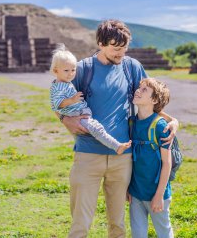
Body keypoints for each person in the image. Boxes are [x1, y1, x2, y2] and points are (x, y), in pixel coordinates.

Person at [60, 19, 179, 238]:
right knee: (81, 223)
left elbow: (151, 97)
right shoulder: (84, 69)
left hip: (122, 158)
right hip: (88, 155)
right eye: (115, 49)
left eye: (124, 48)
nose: (120, 53)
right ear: (100, 43)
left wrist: (173, 120)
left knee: (117, 224)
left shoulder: (130, 66)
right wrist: (64, 119)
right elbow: (59, 100)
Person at [49, 44, 132, 154]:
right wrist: (72, 100)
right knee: (97, 130)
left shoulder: (64, 83)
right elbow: (57, 104)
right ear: (55, 71)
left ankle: (116, 145)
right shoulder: (59, 86)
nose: (70, 74)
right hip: (77, 115)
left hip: (80, 112)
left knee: (97, 129)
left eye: (73, 70)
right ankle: (117, 146)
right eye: (66, 70)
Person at [127, 78, 174, 238]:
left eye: (144, 90)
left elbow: (167, 164)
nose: (138, 90)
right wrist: (129, 188)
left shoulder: (160, 126)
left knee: (164, 233)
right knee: (138, 234)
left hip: (157, 194)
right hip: (136, 193)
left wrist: (159, 196)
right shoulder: (132, 123)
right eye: (139, 87)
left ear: (154, 100)